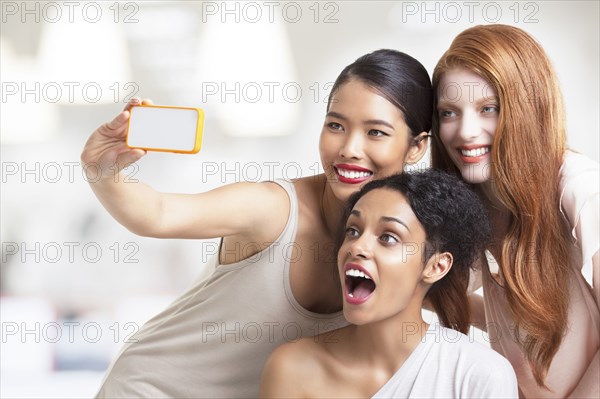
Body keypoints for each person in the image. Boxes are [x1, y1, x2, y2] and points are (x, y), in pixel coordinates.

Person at [81, 49, 433, 398]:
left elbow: (449, 300)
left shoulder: (402, 244)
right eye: (336, 125)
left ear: (416, 147)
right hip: (150, 389)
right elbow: (158, 213)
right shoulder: (273, 209)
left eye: (376, 133)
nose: (349, 148)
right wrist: (101, 168)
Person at [431, 24, 599, 398]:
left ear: (526, 109)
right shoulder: (476, 203)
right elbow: (513, 312)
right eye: (449, 113)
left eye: (488, 109)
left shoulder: (577, 186)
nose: (466, 131)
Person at [260, 170, 518, 398]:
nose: (357, 247)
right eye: (353, 231)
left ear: (435, 266)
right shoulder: (292, 368)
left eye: (388, 237)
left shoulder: (480, 375)